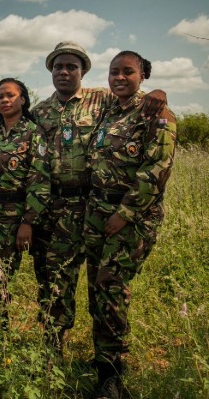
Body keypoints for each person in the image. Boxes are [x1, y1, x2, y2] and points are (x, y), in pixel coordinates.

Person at [30, 41, 168, 353]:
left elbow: (135, 100)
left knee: (104, 285)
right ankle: (51, 349)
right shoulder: (39, 112)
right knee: (55, 280)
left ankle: (109, 363)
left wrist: (158, 92)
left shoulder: (102, 99)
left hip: (95, 206)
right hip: (56, 207)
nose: (64, 72)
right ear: (51, 71)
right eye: (58, 67)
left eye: (71, 67)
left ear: (82, 72)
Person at [84, 51, 176, 398]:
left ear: (143, 75)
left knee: (111, 290)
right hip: (97, 214)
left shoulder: (158, 114)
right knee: (96, 288)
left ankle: (113, 377)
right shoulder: (109, 109)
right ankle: (101, 359)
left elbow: (155, 172)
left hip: (129, 219)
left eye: (128, 72)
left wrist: (124, 214)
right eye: (114, 72)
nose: (119, 78)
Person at [0, 78, 50, 323]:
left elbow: (39, 181)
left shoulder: (33, 134)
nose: (4, 100)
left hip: (11, 216)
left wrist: (28, 222)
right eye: (0, 97)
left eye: (10, 95)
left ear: (23, 100)